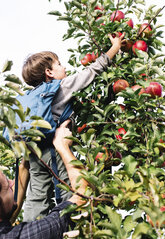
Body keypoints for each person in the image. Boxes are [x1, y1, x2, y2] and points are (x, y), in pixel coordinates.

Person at [22, 33, 124, 221]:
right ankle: (70, 221)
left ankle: (30, 227)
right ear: (49, 73)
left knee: (36, 192)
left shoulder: (33, 95)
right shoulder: (61, 86)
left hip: (33, 150)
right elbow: (92, 72)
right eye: (60, 64)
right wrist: (115, 48)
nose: (65, 67)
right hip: (53, 146)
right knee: (67, 182)